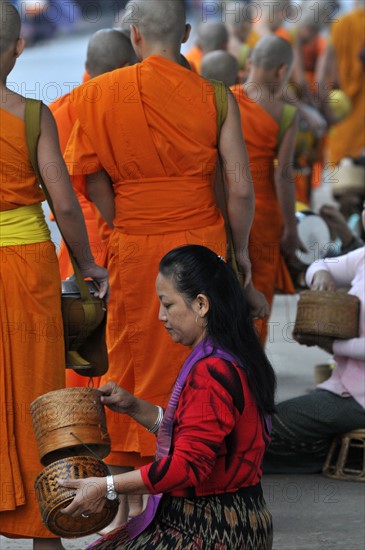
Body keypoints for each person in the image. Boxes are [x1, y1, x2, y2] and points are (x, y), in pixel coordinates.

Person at [63, 0, 258, 525]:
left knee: (139, 365)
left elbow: (89, 174)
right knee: (203, 355)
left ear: (134, 34)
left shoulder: (98, 94)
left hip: (135, 245)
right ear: (186, 32)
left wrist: (125, 216)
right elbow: (239, 187)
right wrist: (240, 257)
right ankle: (200, 478)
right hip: (202, 244)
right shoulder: (217, 98)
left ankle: (133, 507)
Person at [59, 244, 275, 549]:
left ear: (201, 304)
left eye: (167, 304)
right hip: (241, 518)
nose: (160, 316)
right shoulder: (234, 351)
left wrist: (106, 486)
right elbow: (200, 436)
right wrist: (134, 407)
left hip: (212, 529)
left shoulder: (213, 370)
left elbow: (187, 465)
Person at [0, 3, 108, 548]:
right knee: (41, 393)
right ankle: (49, 529)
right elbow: (65, 204)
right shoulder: (33, 116)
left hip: (22, 266)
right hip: (26, 268)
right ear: (19, 48)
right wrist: (87, 264)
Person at [50, 28, 135, 389]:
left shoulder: (57, 111)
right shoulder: (122, 111)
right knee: (112, 335)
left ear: (88, 65)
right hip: (109, 230)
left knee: (72, 331)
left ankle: (70, 418)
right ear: (125, 66)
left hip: (71, 243)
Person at [264, 203, 365, 474]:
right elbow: (318, 264)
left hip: (358, 398)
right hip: (345, 387)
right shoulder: (362, 258)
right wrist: (320, 274)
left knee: (262, 429)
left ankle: (335, 457)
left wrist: (327, 344)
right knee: (258, 432)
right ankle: (333, 451)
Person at [230, 35, 305, 344]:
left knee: (224, 288)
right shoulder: (286, 113)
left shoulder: (226, 100)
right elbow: (283, 176)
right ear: (282, 70)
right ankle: (251, 371)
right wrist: (291, 227)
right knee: (257, 288)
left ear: (250, 64)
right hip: (263, 215)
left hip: (225, 205)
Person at [322, 1, 365, 166]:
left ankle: (342, 175)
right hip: (360, 90)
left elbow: (329, 61)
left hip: (341, 92)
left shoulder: (339, 24)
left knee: (341, 132)